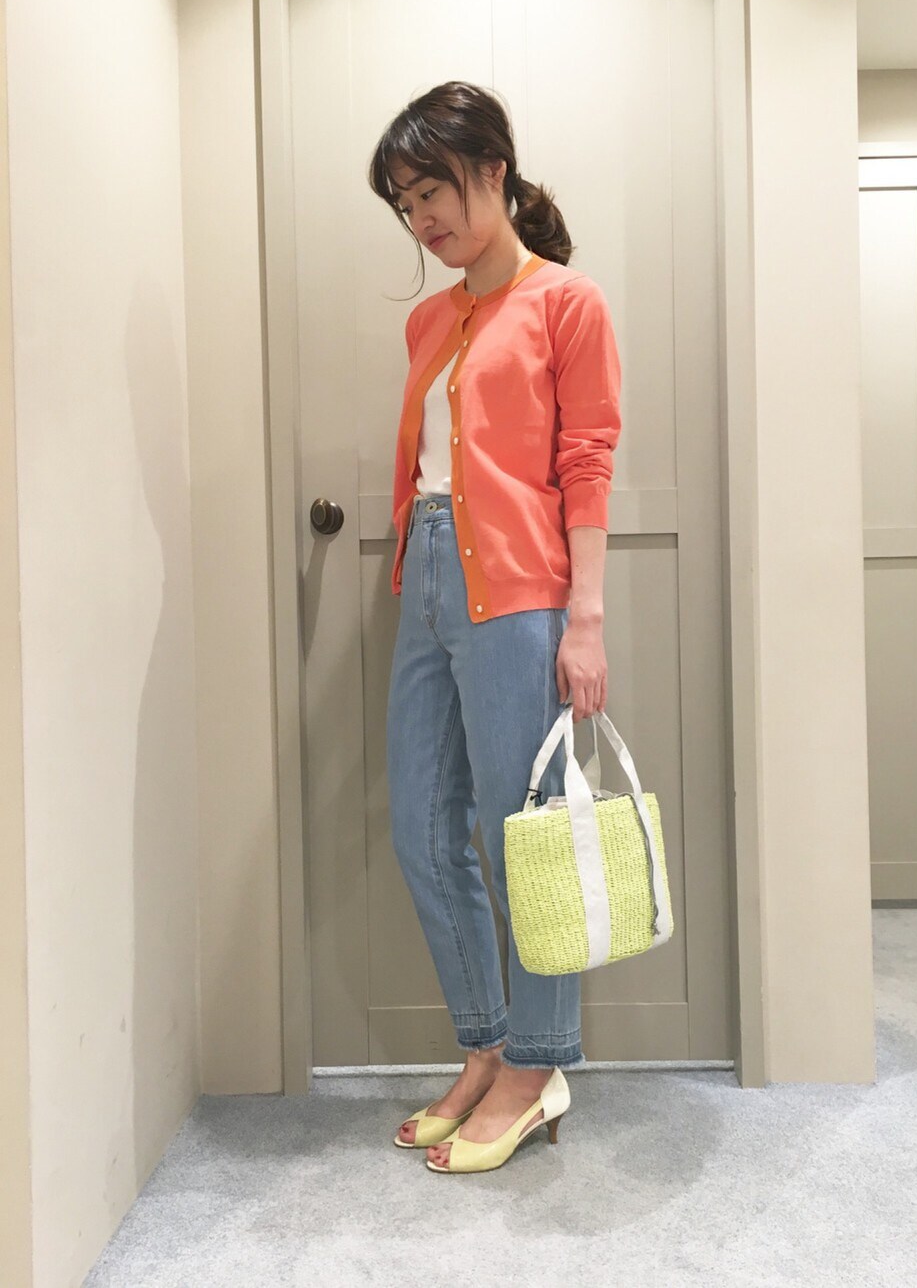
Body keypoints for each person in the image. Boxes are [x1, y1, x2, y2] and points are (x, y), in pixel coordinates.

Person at [369, 80, 622, 1173]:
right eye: (404, 203)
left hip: (521, 589)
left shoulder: (567, 303)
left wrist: (585, 618)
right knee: (424, 828)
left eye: (432, 191)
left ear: (492, 173)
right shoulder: (429, 320)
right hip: (429, 577)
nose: (420, 218)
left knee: (528, 840)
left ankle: (538, 1062)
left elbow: (585, 462)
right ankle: (485, 1044)